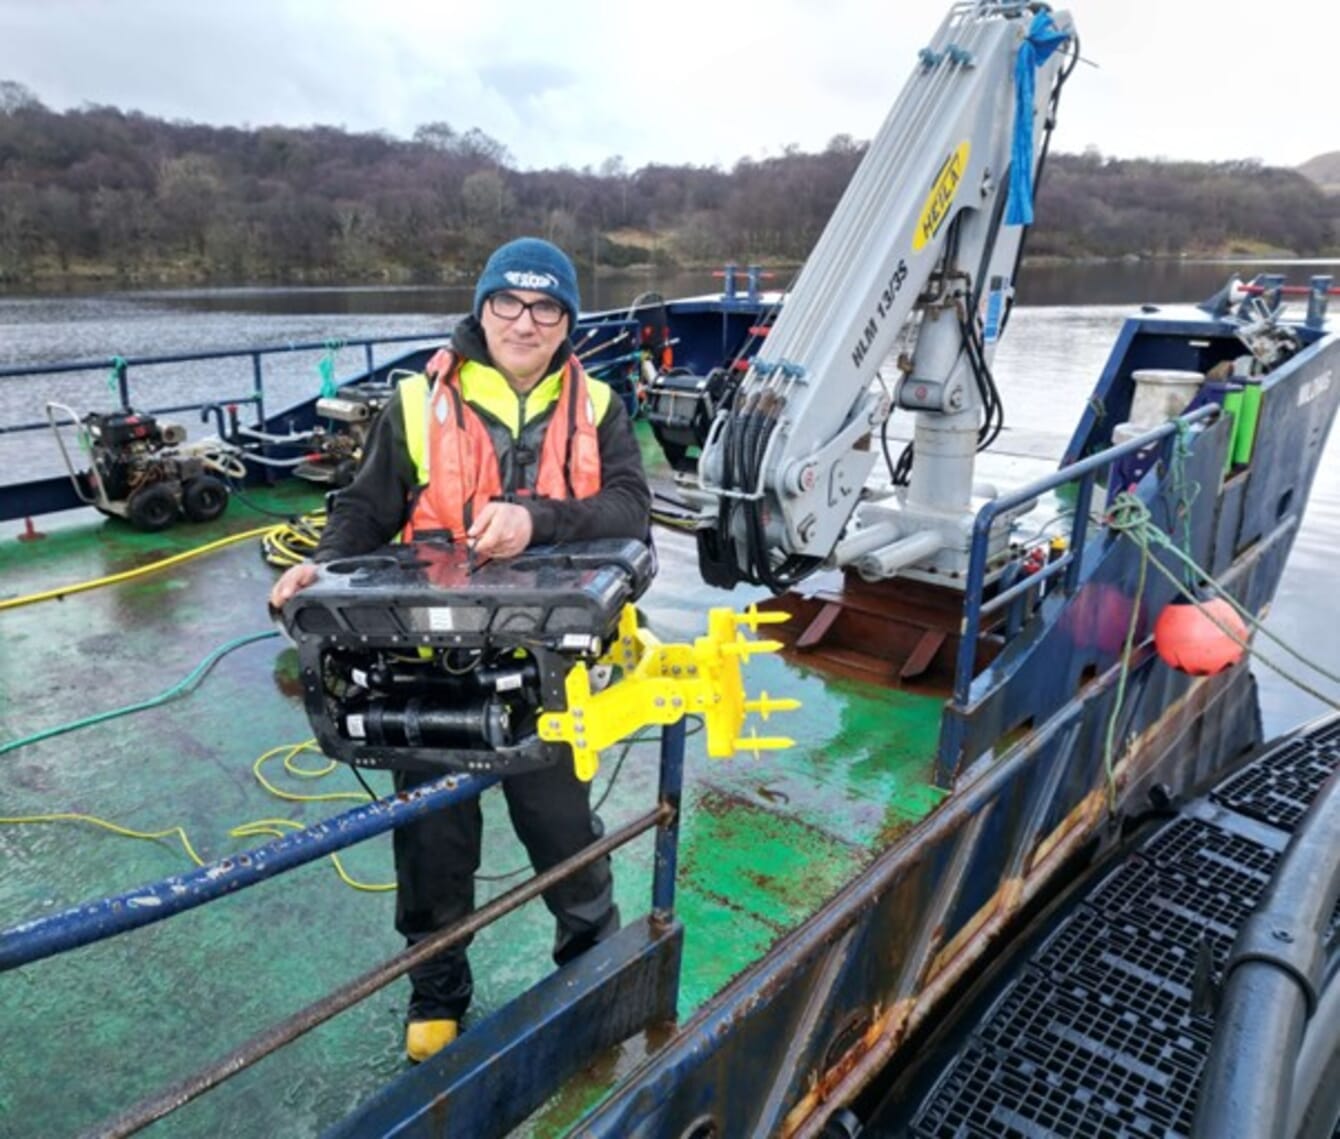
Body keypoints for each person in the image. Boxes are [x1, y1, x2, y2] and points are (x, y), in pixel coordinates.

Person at [269, 236, 652, 1063]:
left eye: (546, 306)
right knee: (432, 835)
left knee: (561, 826)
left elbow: (629, 510)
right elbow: (364, 512)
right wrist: (321, 566)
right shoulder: (416, 400)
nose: (524, 320)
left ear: (566, 320)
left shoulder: (602, 406)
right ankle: (437, 989)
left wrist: (537, 521)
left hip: (546, 663)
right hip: (424, 661)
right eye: (507, 303)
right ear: (482, 308)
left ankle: (589, 968)